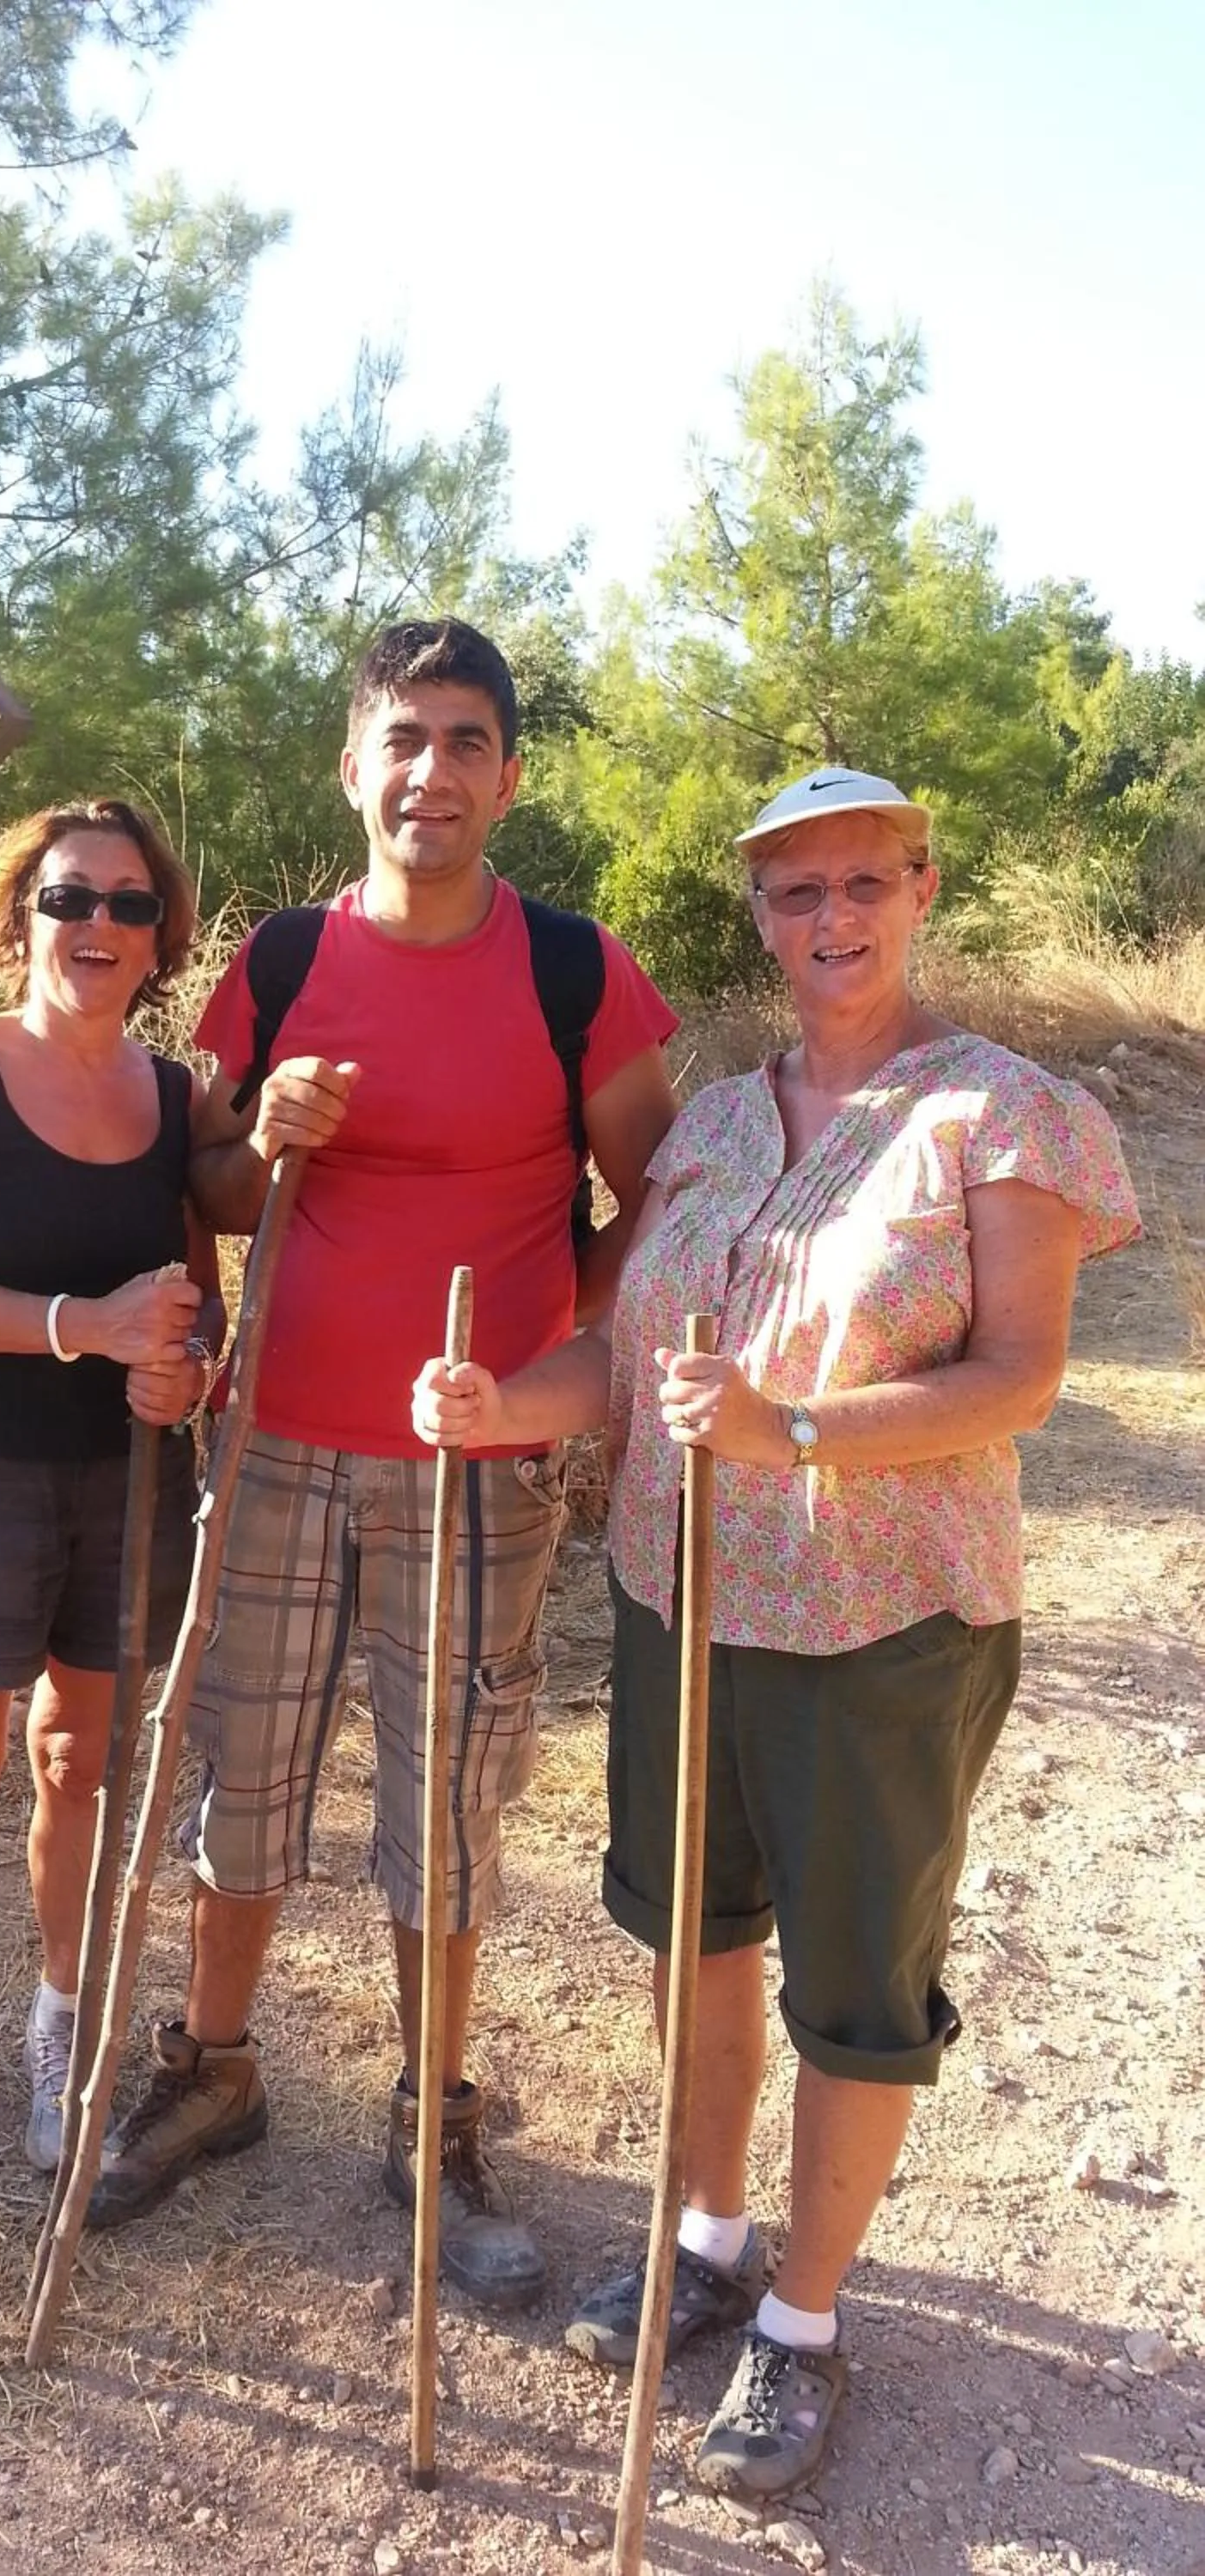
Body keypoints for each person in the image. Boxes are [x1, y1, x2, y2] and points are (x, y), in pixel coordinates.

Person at [413, 764, 1140, 2487]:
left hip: (885, 1621)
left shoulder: (1001, 1115)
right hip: (683, 1600)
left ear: (921, 889)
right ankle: (710, 2241)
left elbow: (1017, 1376)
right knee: (700, 1940)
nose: (833, 920)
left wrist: (793, 1431)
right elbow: (629, 1364)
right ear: (758, 918)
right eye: (796, 893)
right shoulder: (720, 1125)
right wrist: (499, 1405)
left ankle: (804, 2327)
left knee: (854, 1987)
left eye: (863, 884)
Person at [85, 619, 679, 2310]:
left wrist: (562, 1372)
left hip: (470, 1467)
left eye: (467, 741)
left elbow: (656, 1199)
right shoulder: (277, 961)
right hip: (269, 1441)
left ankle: (434, 2124)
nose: (432, 771)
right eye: (402, 739)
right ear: (354, 769)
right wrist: (254, 1134)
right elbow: (201, 1183)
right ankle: (216, 2068)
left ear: (505, 774)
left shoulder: (578, 972)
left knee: (447, 1801)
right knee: (242, 1776)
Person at [0, 797, 226, 2199]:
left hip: (126, 1479)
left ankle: (59, 2032)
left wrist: (182, 1368)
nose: (101, 927)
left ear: (158, 942)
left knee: (83, 1766)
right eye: (73, 899)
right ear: (22, 916)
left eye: (132, 907)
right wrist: (92, 1325)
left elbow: (192, 1305)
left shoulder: (177, 1098)